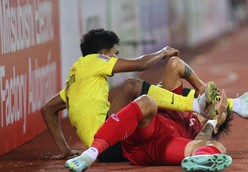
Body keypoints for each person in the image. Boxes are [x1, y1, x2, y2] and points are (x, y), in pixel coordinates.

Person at [41, 28, 220, 160]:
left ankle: (202, 107)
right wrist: (162, 53)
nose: (116, 57)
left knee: (142, 96)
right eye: (114, 53)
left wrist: (64, 149)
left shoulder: (76, 80)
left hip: (100, 145)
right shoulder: (94, 61)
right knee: (132, 86)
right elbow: (141, 65)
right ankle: (198, 105)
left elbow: (47, 110)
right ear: (103, 54)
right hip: (109, 141)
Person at [64, 57, 248, 172]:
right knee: (147, 101)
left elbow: (203, 138)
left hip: (158, 147)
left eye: (222, 108)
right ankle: (88, 155)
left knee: (217, 147)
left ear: (217, 124)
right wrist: (201, 88)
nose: (216, 102)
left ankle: (200, 161)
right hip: (143, 129)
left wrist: (212, 120)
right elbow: (174, 64)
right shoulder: (184, 107)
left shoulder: (200, 131)